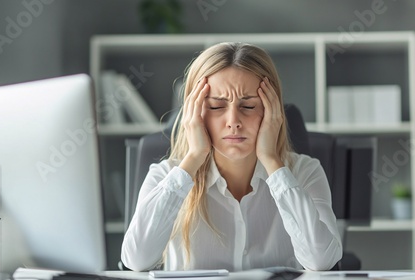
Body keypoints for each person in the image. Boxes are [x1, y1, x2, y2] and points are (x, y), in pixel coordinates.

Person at [121, 42, 343, 272]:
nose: (233, 121)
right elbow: (136, 260)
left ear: (272, 110)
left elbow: (322, 261)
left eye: (248, 105)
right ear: (193, 114)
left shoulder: (305, 172)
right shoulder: (165, 175)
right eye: (217, 106)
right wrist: (194, 156)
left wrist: (270, 159)